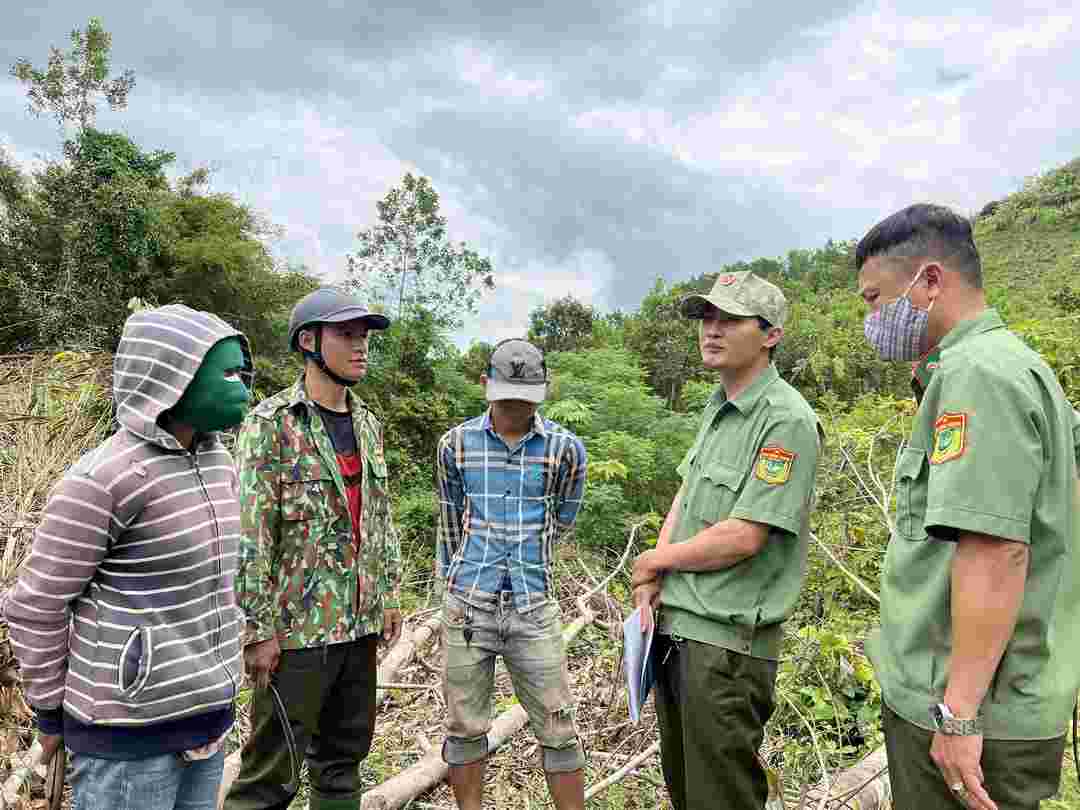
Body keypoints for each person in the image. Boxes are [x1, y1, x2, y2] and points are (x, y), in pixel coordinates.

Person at [857, 203, 1080, 810]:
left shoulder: (979, 376)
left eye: (875, 299)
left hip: (970, 714)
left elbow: (996, 550)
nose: (871, 320)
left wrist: (957, 714)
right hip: (968, 700)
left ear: (930, 281)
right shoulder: (1003, 367)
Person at [3, 305, 253, 810]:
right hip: (128, 736)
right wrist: (51, 711)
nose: (243, 388)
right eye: (227, 374)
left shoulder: (220, 462)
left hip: (207, 717)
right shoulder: (105, 479)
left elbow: (224, 583)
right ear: (170, 376)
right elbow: (37, 605)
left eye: (243, 374)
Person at [630, 272, 822, 810]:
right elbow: (687, 495)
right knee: (688, 793)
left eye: (730, 320)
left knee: (722, 798)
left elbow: (745, 535)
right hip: (678, 631)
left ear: (771, 335)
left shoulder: (786, 419)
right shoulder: (720, 406)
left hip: (726, 647)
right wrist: (653, 577)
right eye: (706, 318)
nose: (711, 330)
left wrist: (652, 558)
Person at [224, 288, 402, 810]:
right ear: (309, 341)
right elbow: (251, 534)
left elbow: (380, 517)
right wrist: (257, 630)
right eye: (346, 335)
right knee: (269, 777)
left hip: (358, 626)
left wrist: (389, 595)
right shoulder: (271, 424)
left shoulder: (368, 425)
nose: (360, 346)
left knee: (343, 765)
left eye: (364, 336)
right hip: (296, 633)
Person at [435, 338, 588, 810]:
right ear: (485, 387)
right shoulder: (455, 444)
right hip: (468, 604)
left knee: (559, 727)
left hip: (533, 606)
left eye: (527, 398)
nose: (517, 408)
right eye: (506, 397)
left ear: (545, 390)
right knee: (464, 726)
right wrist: (450, 591)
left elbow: (563, 518)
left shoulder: (566, 449)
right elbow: (448, 520)